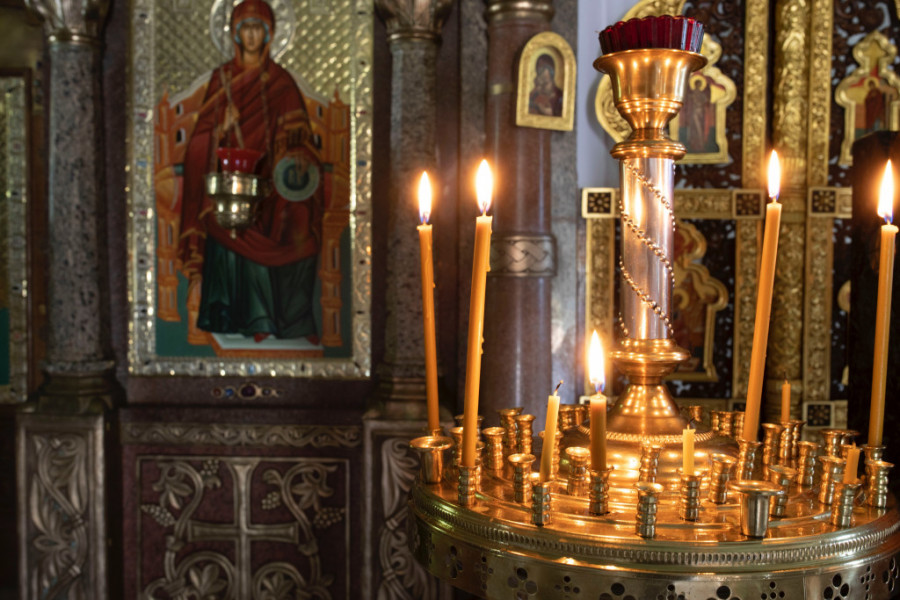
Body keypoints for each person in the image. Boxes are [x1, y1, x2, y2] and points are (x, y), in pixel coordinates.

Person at [179, 0, 322, 344]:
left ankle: (294, 319)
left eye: (259, 28)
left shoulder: (282, 82)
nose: (253, 35)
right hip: (232, 178)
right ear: (236, 34)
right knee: (232, 217)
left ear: (269, 34)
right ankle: (252, 316)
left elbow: (300, 140)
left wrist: (297, 156)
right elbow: (198, 144)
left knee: (301, 221)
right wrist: (221, 129)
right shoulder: (222, 80)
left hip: (273, 181)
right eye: (246, 28)